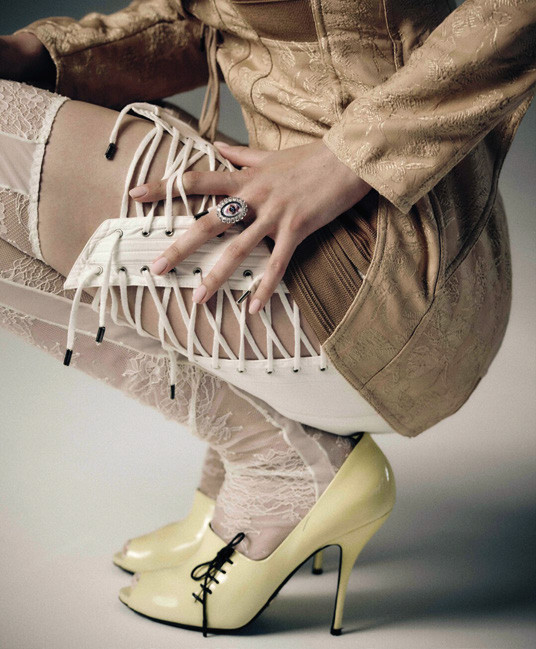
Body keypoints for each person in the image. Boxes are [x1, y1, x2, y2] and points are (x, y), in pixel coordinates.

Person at [0, 0, 534, 638]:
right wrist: (39, 54)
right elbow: (214, 16)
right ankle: (255, 443)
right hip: (366, 270)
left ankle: (283, 461)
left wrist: (348, 157)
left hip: (386, 269)